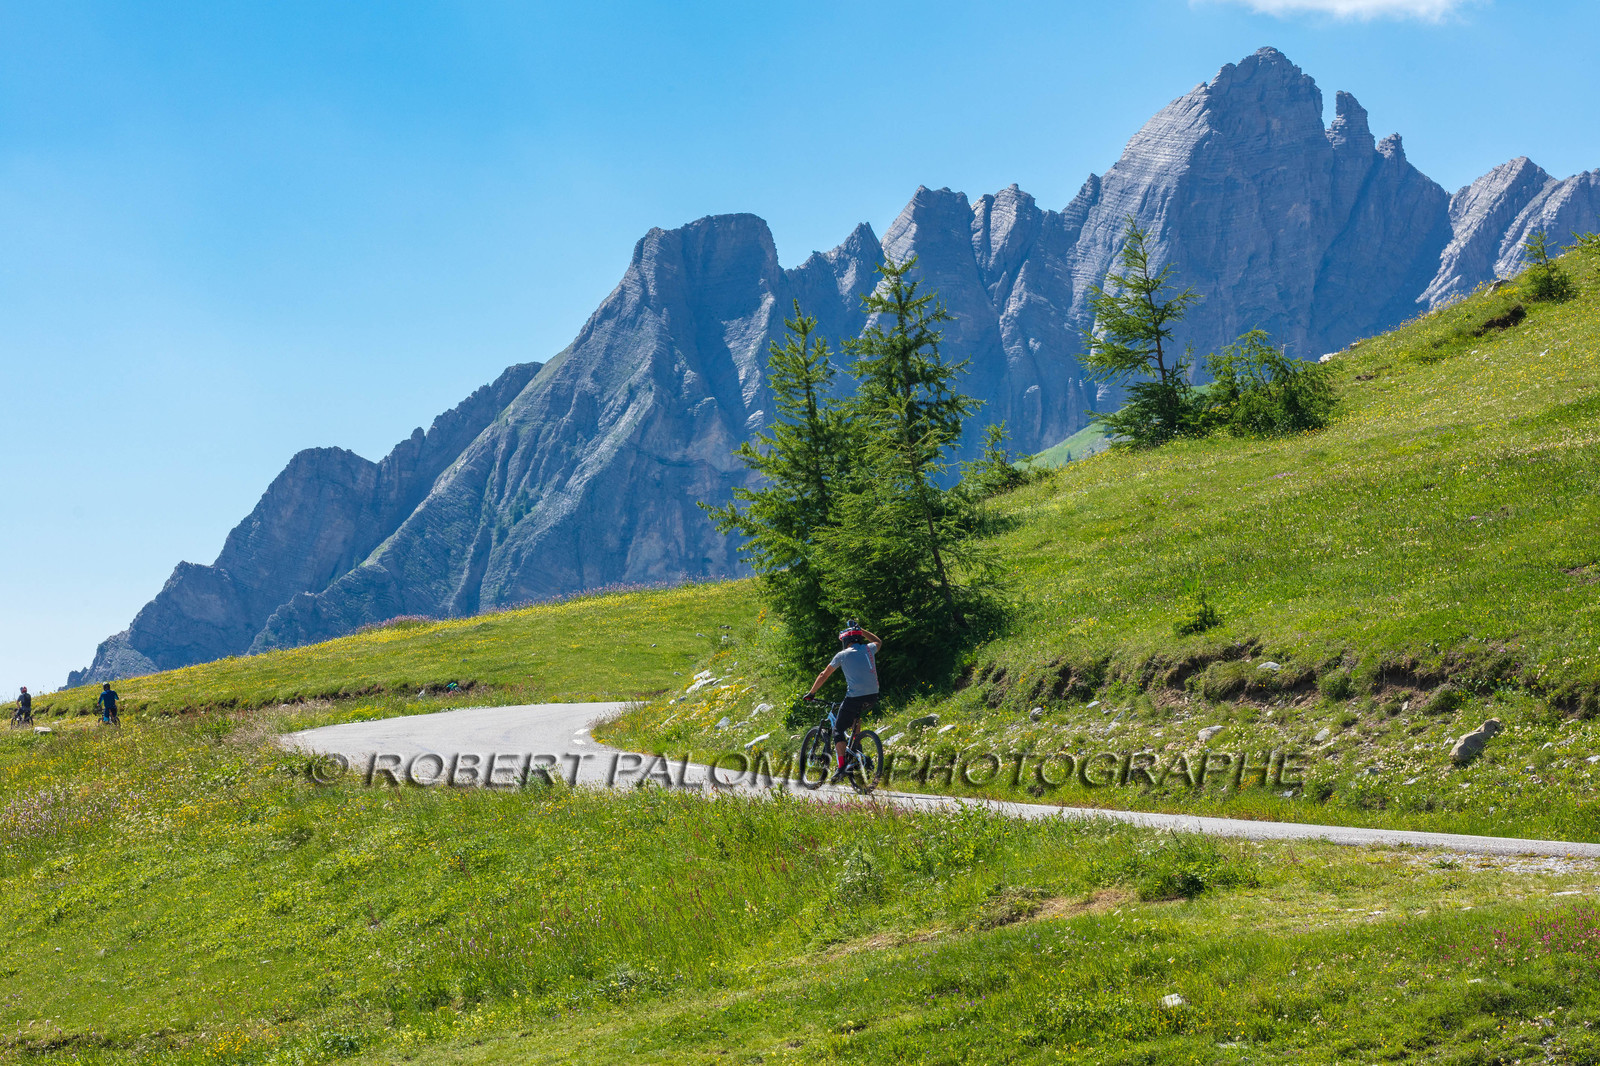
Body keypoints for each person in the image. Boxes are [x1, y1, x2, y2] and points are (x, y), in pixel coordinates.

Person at [804, 621, 883, 773]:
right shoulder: (869, 649)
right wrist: (861, 629)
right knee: (854, 720)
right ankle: (856, 753)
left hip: (855, 697)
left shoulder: (842, 655)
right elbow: (878, 641)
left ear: (846, 641)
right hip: (873, 696)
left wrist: (812, 693)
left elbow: (823, 675)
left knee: (838, 730)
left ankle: (841, 767)